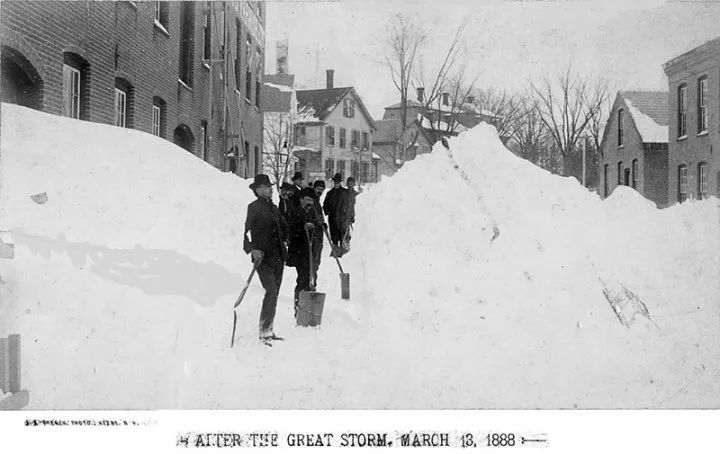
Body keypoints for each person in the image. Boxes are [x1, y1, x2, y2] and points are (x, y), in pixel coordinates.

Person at [243, 174, 288, 342]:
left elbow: (283, 227)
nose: (271, 189)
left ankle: (268, 328)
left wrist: (286, 239)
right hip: (263, 258)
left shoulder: (274, 208)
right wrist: (252, 249)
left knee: (274, 293)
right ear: (258, 189)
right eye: (267, 187)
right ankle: (264, 331)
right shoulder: (253, 208)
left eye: (270, 186)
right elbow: (246, 232)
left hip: (278, 257)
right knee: (271, 290)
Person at [286, 187, 324, 313]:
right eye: (307, 200)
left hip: (312, 252)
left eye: (312, 200)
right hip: (300, 253)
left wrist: (320, 225)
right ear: (301, 200)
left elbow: (317, 224)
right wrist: (303, 227)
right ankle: (299, 309)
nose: (310, 202)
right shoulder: (295, 212)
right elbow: (292, 230)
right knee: (303, 279)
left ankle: (308, 307)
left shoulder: (313, 212)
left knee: (312, 278)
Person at [322, 173, 349, 250]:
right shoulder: (330, 193)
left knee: (342, 234)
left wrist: (346, 214)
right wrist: (328, 211)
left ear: (340, 182)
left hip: (342, 218)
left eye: (338, 182)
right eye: (335, 182)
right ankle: (335, 250)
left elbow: (348, 204)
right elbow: (325, 204)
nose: (336, 183)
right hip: (333, 218)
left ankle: (342, 249)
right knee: (334, 235)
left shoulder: (345, 192)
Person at [311, 180, 327, 280]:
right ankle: (310, 284)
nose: (320, 191)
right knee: (312, 260)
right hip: (312, 235)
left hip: (318, 235)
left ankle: (313, 282)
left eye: (322, 190)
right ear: (314, 188)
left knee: (316, 261)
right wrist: (318, 223)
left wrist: (323, 224)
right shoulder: (311, 200)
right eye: (318, 189)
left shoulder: (317, 201)